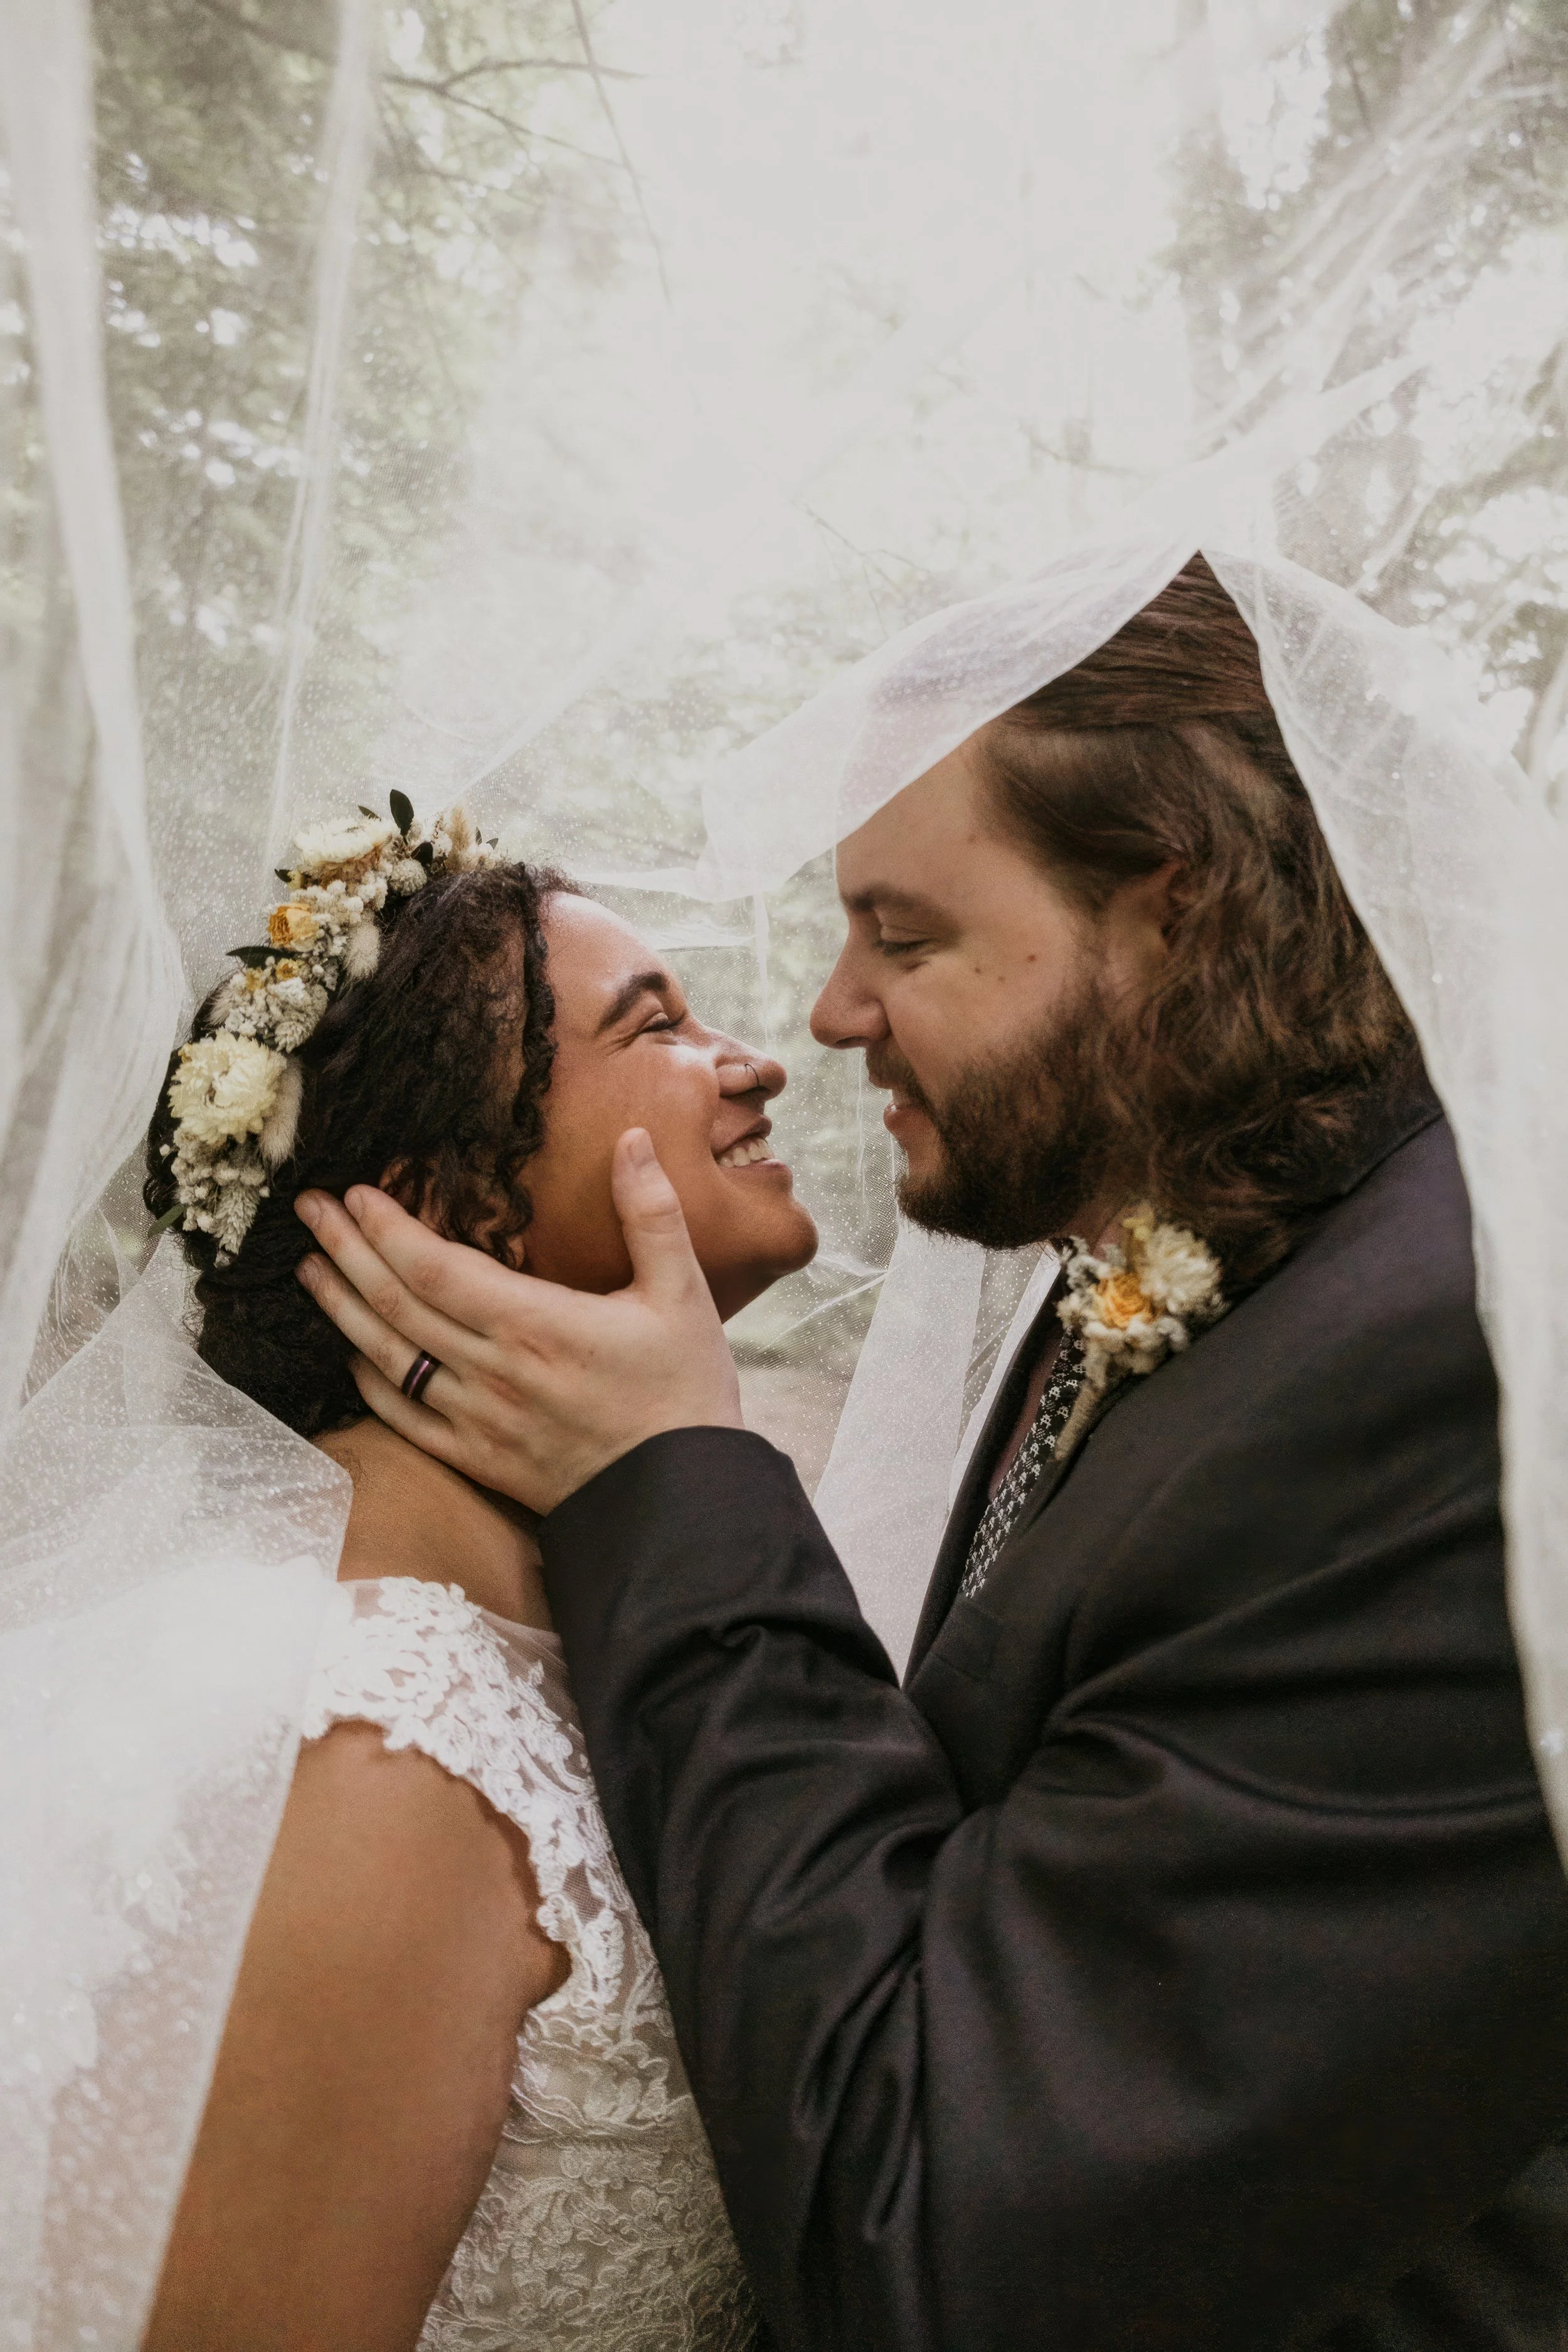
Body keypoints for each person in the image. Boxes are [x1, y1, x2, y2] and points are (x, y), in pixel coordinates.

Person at [298, 556, 1568, 2351]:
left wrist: (672, 1476)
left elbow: (954, 2244)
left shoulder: (1445, 1360)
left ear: (1172, 919)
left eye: (904, 935)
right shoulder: (1185, 1253)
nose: (823, 1014)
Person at [139, 809, 813, 2350]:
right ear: (440, 1206)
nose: (755, 1061)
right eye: (658, 1024)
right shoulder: (380, 1755)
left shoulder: (572, 1648)